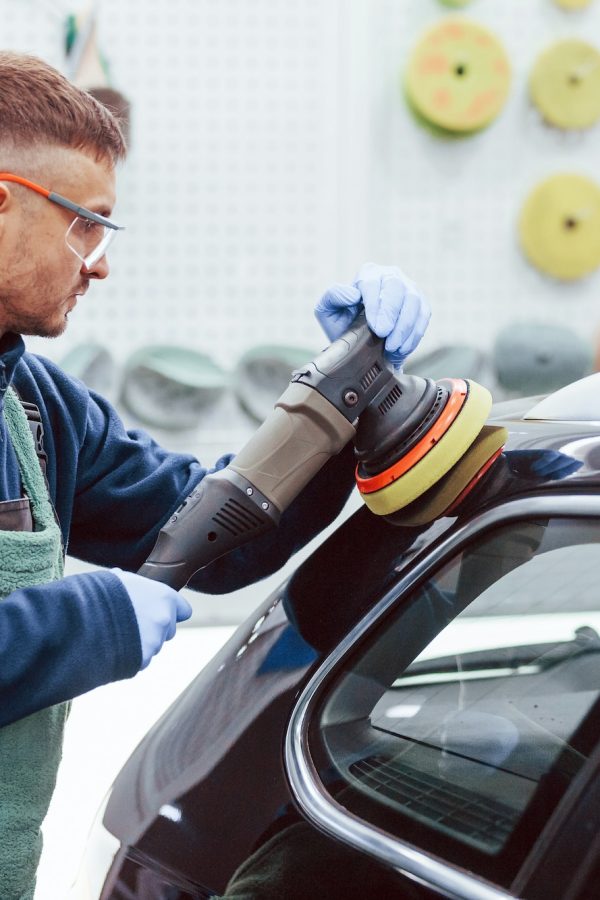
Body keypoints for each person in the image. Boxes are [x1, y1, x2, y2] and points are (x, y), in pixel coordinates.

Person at [0, 49, 430, 900]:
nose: (101, 264)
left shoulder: (37, 408)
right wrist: (86, 619)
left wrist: (338, 396)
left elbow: (212, 527)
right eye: (87, 223)